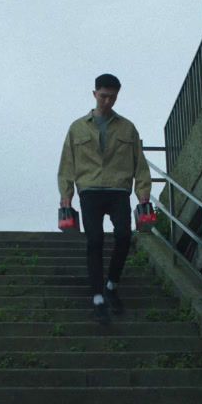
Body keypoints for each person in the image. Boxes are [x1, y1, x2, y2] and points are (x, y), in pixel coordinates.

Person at [57, 73, 152, 324]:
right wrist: (65, 196)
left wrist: (143, 194)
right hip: (89, 190)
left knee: (124, 235)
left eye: (112, 97)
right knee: (95, 240)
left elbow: (139, 164)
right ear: (94, 94)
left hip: (119, 190)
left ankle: (112, 284)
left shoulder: (127, 128)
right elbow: (68, 163)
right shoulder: (77, 128)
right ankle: (98, 295)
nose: (108, 101)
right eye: (103, 96)